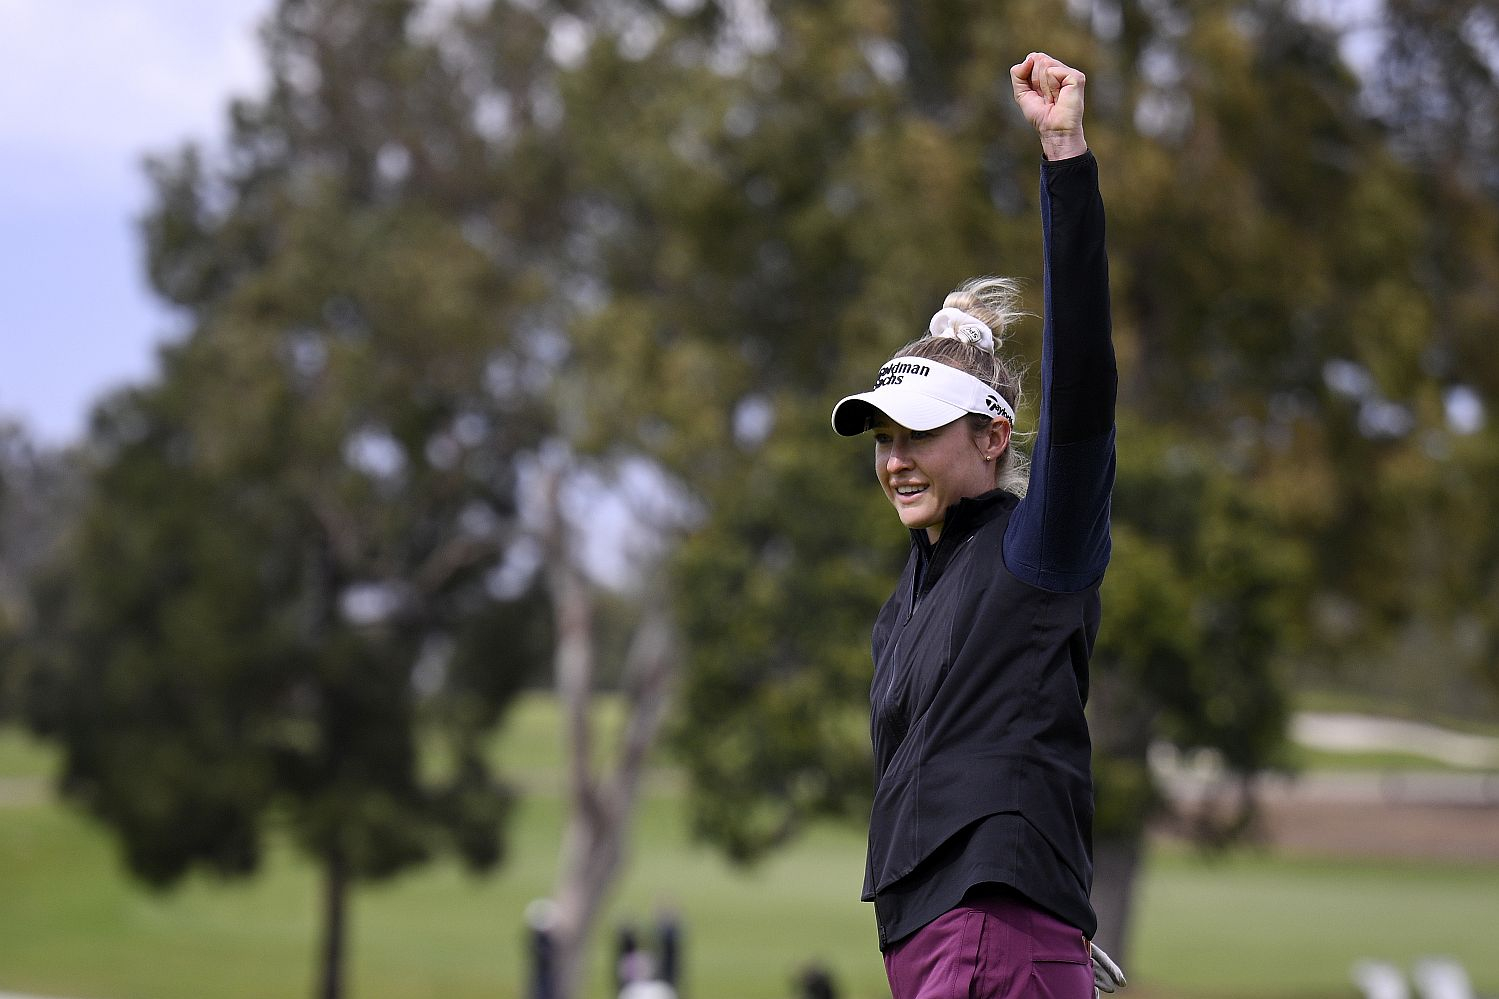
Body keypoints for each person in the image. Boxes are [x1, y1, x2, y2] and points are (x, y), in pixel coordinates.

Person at [829, 52, 1126, 999]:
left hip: (994, 932)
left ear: (993, 436)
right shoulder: (901, 605)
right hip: (921, 942)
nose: (893, 459)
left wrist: (1063, 160)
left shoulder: (1037, 547)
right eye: (881, 438)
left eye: (915, 433)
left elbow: (1081, 385)